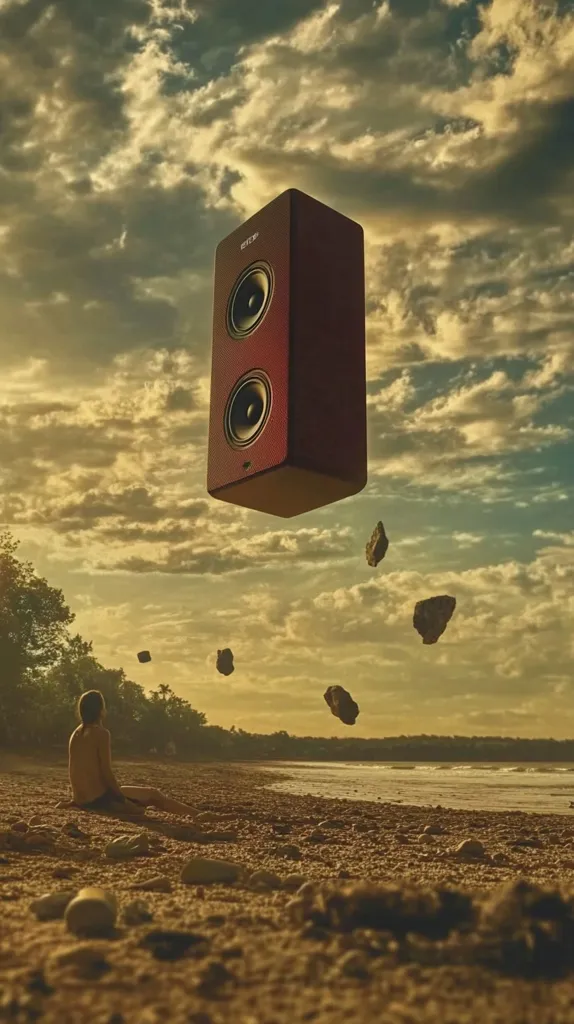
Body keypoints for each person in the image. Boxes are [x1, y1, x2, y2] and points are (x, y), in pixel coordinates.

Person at [68, 689, 198, 818]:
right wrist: (122, 799)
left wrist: (77, 799)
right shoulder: (101, 733)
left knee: (136, 797)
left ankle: (197, 814)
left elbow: (73, 770)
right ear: (100, 710)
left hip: (82, 799)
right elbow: (106, 771)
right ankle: (198, 815)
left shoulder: (75, 734)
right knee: (153, 794)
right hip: (100, 800)